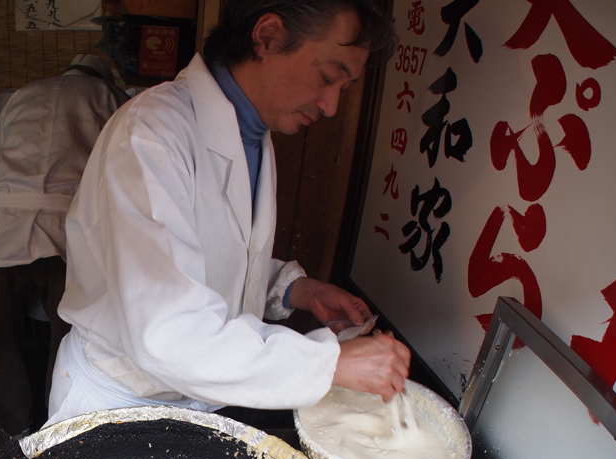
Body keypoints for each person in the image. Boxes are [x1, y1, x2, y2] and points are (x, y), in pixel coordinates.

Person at [46, 0, 410, 426]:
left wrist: (296, 290)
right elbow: (168, 334)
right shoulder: (152, 134)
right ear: (268, 36)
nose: (331, 105)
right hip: (117, 405)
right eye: (329, 77)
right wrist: (329, 364)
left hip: (193, 401)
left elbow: (210, 253)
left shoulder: (251, 134)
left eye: (344, 89)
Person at [0, 55, 129, 437]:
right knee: (68, 345)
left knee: (2, 342)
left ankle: (12, 439)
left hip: (1, 227)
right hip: (69, 227)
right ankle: (58, 440)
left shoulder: (22, 94)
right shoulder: (112, 97)